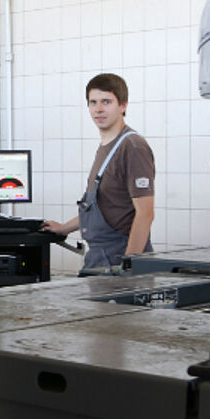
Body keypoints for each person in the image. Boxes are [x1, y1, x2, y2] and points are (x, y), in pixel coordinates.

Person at [42, 73, 155, 272]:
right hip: (99, 257)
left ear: (123, 106)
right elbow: (102, 207)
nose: (98, 109)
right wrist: (64, 228)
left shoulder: (132, 147)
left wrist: (128, 267)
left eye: (106, 102)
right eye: (93, 102)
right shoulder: (106, 147)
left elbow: (145, 214)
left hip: (118, 258)